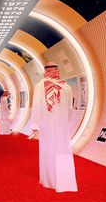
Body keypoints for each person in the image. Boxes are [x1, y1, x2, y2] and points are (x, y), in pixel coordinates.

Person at [27, 62, 78, 192]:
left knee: (48, 149)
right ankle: (64, 179)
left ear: (46, 71)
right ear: (56, 70)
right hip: (62, 125)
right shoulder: (65, 86)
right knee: (62, 149)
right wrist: (68, 122)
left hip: (47, 124)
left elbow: (37, 106)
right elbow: (70, 109)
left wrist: (35, 124)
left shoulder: (40, 86)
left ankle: (49, 180)